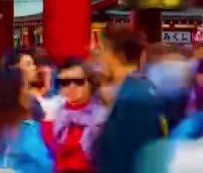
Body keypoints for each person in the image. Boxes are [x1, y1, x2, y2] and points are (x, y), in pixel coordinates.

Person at [93, 25, 168, 173]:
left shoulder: (134, 99)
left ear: (119, 55)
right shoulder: (139, 89)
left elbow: (126, 156)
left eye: (102, 50)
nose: (99, 57)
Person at [0, 68, 53, 173]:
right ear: (13, 93)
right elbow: (46, 166)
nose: (30, 93)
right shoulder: (27, 131)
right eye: (26, 86)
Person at [42, 59, 106, 173]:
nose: (71, 86)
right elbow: (48, 151)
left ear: (90, 82)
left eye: (78, 81)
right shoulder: (53, 114)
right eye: (65, 83)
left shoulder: (103, 116)